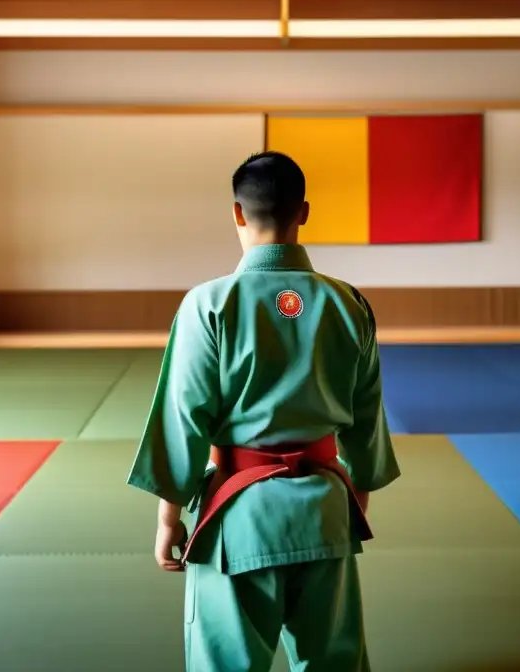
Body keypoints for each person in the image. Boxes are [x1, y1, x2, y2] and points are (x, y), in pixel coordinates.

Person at [126, 150, 401, 672]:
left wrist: (169, 518)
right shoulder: (349, 303)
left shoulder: (208, 304)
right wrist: (351, 504)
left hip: (238, 517)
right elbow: (367, 421)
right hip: (325, 514)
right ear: (304, 211)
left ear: (237, 213)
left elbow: (182, 417)